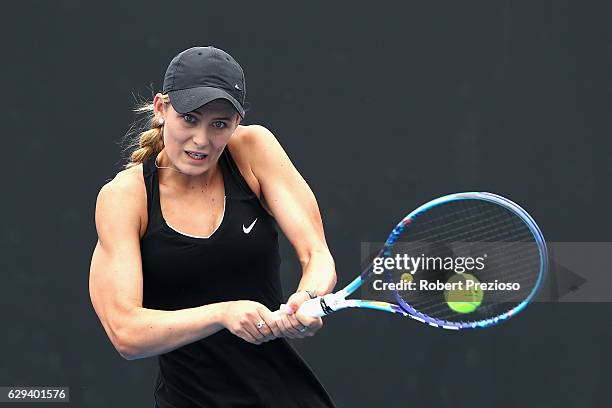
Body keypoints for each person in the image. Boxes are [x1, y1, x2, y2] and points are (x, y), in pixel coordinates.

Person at [89, 46, 337, 407]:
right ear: (161, 109)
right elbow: (125, 332)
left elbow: (317, 253)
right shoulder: (124, 199)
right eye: (189, 118)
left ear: (237, 123)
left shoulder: (253, 149)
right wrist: (222, 313)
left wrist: (309, 298)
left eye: (219, 124)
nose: (201, 140)